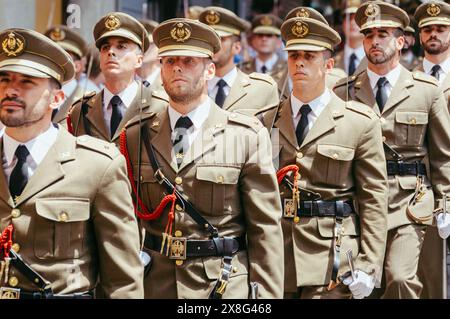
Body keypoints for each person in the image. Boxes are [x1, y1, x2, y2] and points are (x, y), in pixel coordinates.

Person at [120, 18, 284, 299]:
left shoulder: (245, 135)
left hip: (221, 284)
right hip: (156, 284)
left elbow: (264, 228)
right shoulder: (137, 135)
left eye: (188, 60)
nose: (177, 68)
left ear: (210, 69)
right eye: (169, 61)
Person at [0, 28, 143, 299]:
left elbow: (122, 281)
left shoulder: (97, 165)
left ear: (56, 98)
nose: (11, 90)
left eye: (28, 82)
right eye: (4, 79)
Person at [254, 14, 388, 299]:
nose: (299, 62)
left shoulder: (359, 122)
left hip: (333, 258)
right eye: (294, 55)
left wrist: (370, 262)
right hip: (278, 257)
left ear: (329, 64)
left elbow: (373, 197)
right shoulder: (265, 122)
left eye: (309, 56)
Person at [334, 0, 450, 299]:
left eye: (383, 34)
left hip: (409, 201)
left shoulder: (426, 90)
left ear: (401, 41)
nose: (375, 41)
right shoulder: (345, 92)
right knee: (363, 285)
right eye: (369, 35)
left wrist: (446, 202)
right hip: (360, 201)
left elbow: (442, 154)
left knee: (399, 277)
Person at [67, 12, 168, 144]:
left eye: (121, 46)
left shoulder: (161, 108)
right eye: (105, 47)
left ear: (138, 60)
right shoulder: (80, 110)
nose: (111, 52)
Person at [413, 0, 450, 299]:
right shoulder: (405, 80)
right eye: (427, 29)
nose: (434, 34)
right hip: (422, 185)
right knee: (429, 272)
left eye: (441, 28)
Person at [199, 7, 279, 115]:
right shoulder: (190, 88)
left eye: (220, 39)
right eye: (207, 38)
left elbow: (272, 130)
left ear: (237, 47)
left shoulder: (260, 89)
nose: (212, 44)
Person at [44, 25, 87, 124]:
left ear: (77, 66)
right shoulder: (38, 94)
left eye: (61, 57)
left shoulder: (89, 102)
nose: (53, 61)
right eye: (49, 56)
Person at [334, 0, 367, 76]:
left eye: (357, 19)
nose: (352, 23)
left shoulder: (376, 60)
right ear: (342, 24)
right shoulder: (332, 62)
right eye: (348, 18)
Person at [137, 19, 163, 92]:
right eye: (140, 44)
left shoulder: (169, 81)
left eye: (150, 44)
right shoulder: (121, 81)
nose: (144, 48)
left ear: (160, 49)